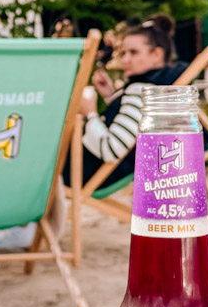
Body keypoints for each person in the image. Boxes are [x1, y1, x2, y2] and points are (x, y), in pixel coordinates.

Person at [71, 14, 188, 188]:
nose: (125, 59)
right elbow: (130, 125)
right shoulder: (158, 85)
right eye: (124, 53)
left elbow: (111, 149)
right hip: (111, 169)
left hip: (90, 173)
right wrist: (111, 96)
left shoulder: (142, 91)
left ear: (156, 54)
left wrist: (89, 114)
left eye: (133, 52)